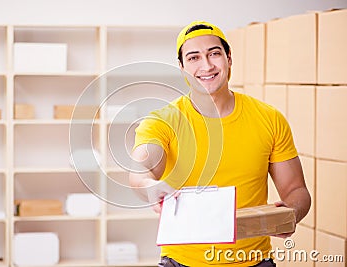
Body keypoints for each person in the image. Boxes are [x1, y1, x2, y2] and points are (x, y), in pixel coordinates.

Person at [129, 21, 311, 266]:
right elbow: (140, 170)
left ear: (229, 59)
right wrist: (151, 187)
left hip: (254, 261)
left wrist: (290, 213)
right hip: (182, 261)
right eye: (193, 58)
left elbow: (296, 191)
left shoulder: (269, 118)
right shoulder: (162, 121)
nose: (206, 65)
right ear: (182, 68)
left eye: (214, 54)